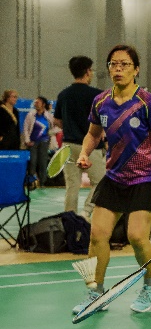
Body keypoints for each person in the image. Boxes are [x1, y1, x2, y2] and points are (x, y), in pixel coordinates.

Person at [70, 44, 151, 315]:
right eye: (113, 64)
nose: (118, 69)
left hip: (145, 178)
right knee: (97, 235)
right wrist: (84, 153)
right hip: (114, 178)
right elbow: (93, 134)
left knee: (137, 236)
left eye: (125, 64)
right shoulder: (101, 101)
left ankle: (149, 286)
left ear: (136, 69)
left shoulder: (148, 102)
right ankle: (95, 293)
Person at [53, 56, 105, 219]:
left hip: (68, 145)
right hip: (90, 146)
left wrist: (70, 127)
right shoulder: (97, 95)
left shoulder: (64, 95)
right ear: (88, 71)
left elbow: (57, 120)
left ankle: (69, 221)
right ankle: (86, 213)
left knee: (72, 186)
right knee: (101, 183)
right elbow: (104, 120)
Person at [22, 96, 55, 187]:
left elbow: (54, 128)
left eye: (38, 102)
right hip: (32, 142)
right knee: (32, 162)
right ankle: (31, 182)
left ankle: (43, 182)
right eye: (35, 102)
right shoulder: (31, 115)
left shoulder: (49, 116)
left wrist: (50, 136)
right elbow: (26, 128)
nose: (36, 104)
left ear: (43, 104)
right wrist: (27, 140)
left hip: (44, 142)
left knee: (43, 162)